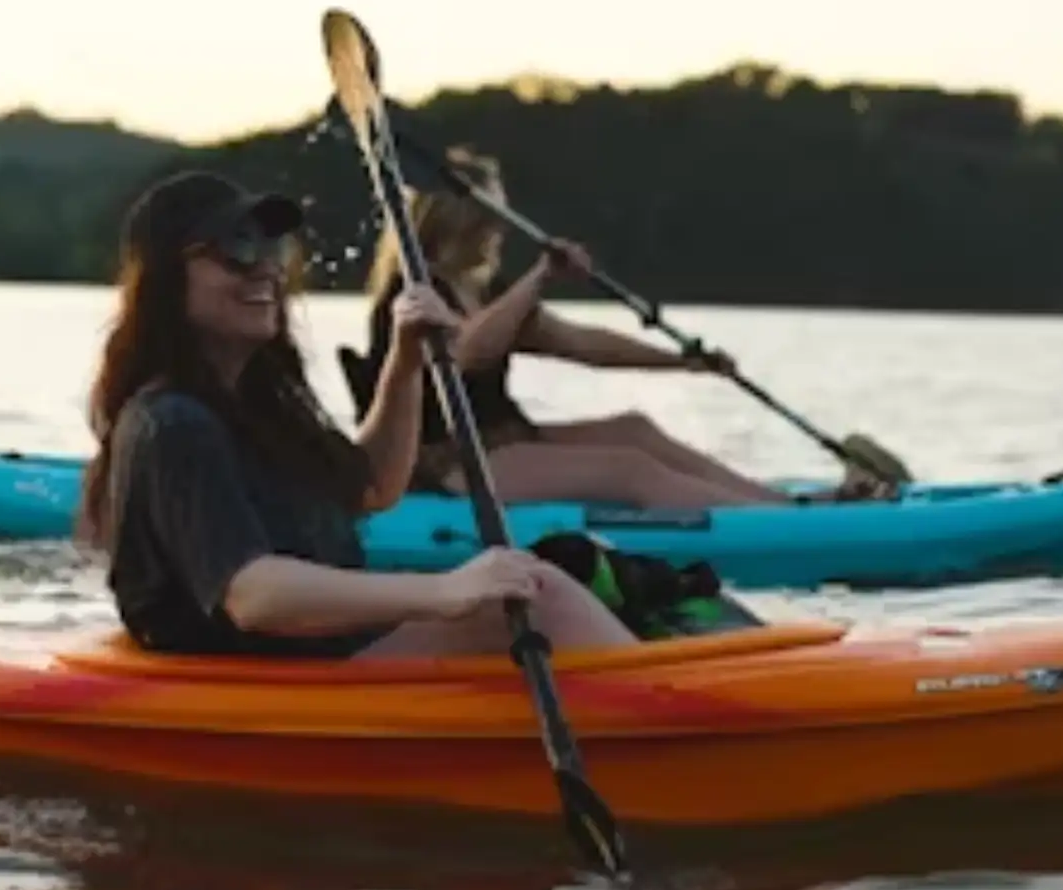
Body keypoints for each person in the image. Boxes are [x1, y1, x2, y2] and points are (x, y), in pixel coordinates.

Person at [78, 170, 641, 661]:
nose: (266, 269)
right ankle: (674, 717)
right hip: (272, 675)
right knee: (542, 594)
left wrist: (404, 365)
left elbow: (372, 486)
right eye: (236, 249)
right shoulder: (172, 421)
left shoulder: (257, 405)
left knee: (575, 569)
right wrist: (443, 592)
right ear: (165, 280)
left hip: (321, 651)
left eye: (272, 248)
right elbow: (255, 596)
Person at [361, 147, 891, 509]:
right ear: (465, 221)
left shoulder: (488, 291)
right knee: (628, 468)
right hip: (447, 466)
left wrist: (683, 363)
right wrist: (542, 275)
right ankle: (783, 523)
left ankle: (789, 507)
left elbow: (579, 343)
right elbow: (466, 352)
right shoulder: (413, 296)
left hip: (502, 441)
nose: (502, 226)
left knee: (635, 429)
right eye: (494, 216)